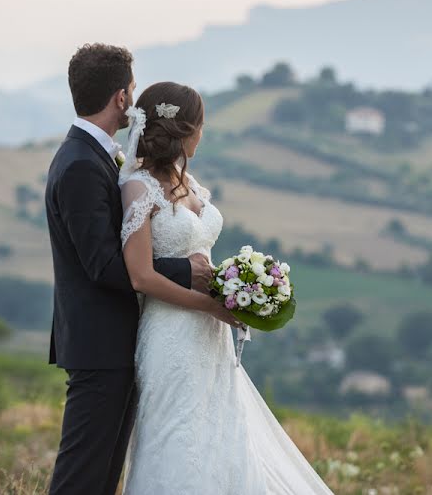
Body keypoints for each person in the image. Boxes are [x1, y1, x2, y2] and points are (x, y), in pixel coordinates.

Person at [118, 81, 333, 494]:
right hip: (171, 335)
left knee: (220, 438)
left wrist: (239, 286)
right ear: (186, 130)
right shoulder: (138, 188)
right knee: (177, 440)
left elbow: (199, 257)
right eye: (202, 125)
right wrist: (209, 306)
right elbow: (140, 276)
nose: (204, 134)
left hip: (210, 337)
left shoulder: (190, 182)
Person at [45, 43, 241, 495]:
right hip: (98, 345)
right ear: (120, 97)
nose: (133, 102)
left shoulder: (101, 158)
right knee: (81, 479)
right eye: (131, 90)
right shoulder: (79, 164)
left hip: (124, 341)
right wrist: (188, 273)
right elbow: (105, 267)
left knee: (104, 476)